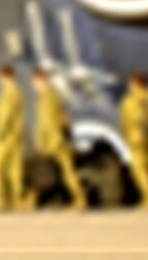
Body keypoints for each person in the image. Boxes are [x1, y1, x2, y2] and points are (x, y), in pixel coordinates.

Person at [31, 69, 85, 210]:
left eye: (35, 82)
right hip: (53, 138)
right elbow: (58, 117)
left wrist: (44, 138)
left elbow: (49, 120)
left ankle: (79, 198)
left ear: (42, 81)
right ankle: (79, 198)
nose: (34, 85)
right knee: (64, 169)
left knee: (54, 169)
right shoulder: (47, 96)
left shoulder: (50, 96)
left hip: (54, 139)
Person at [0, 65, 25, 211]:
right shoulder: (17, 91)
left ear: (4, 77)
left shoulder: (7, 92)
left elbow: (5, 115)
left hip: (5, 136)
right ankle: (16, 200)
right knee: (13, 170)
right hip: (15, 135)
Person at [119, 72, 148, 209]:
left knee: (139, 170)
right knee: (146, 169)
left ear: (135, 84)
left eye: (130, 83)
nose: (129, 86)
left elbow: (125, 121)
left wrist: (126, 137)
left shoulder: (129, 100)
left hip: (135, 138)